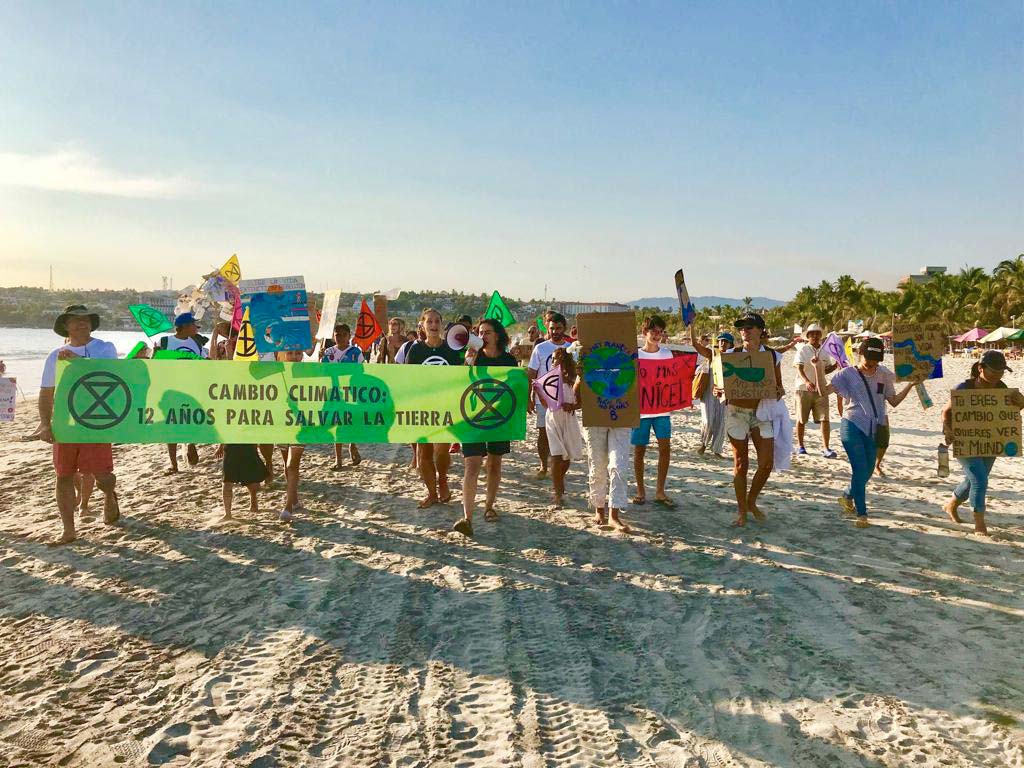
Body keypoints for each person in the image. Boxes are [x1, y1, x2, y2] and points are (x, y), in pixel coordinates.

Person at [36, 305, 120, 545]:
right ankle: (68, 530)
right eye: (75, 320)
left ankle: (109, 495)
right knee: (63, 475)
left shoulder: (105, 348)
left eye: (85, 320)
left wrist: (78, 362)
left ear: (91, 324)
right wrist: (44, 423)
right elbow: (46, 392)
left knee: (102, 475)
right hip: (66, 422)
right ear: (66, 325)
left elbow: (113, 376)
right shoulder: (55, 356)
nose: (82, 324)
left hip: (97, 421)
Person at [694, 312, 784, 527]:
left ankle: (751, 500)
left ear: (761, 331)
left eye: (750, 326)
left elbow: (779, 388)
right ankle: (742, 510)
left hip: (763, 413)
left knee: (766, 464)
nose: (745, 330)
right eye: (742, 327)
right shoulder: (730, 356)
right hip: (736, 413)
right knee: (740, 463)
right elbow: (719, 387)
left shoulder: (772, 357)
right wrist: (718, 390)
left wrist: (776, 390)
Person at [812, 337, 914, 528]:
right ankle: (862, 513)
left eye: (876, 359)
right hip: (851, 425)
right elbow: (823, 392)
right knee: (859, 468)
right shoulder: (846, 374)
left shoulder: (884, 374)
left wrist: (910, 385)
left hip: (874, 427)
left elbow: (893, 401)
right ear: (860, 354)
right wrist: (818, 369)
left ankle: (847, 495)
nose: (872, 363)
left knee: (867, 471)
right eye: (869, 358)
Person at [941, 352, 1024, 535]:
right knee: (980, 480)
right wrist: (947, 429)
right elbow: (946, 411)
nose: (998, 375)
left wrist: (1022, 402)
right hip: (964, 439)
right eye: (994, 371)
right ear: (981, 368)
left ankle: (951, 504)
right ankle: (979, 524)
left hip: (990, 440)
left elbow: (1012, 409)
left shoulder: (1002, 388)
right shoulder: (964, 388)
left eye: (1001, 371)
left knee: (974, 480)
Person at [453, 318, 518, 536]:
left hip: (498, 419)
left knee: (494, 463)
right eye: (479, 332)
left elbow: (513, 389)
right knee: (471, 466)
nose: (482, 336)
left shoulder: (509, 360)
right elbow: (460, 385)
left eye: (487, 332)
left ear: (497, 335)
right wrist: (467, 364)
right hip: (473, 418)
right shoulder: (473, 357)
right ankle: (467, 517)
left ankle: (489, 506)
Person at [404, 308, 462, 507]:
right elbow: (408, 380)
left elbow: (460, 378)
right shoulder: (416, 350)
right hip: (422, 408)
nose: (434, 325)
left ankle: (443, 478)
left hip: (445, 408)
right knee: (424, 454)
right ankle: (431, 493)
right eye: (429, 322)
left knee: (441, 451)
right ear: (422, 325)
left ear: (442, 325)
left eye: (437, 321)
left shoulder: (451, 350)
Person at [631, 315, 676, 507]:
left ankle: (660, 491)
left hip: (662, 410)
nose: (657, 335)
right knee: (639, 450)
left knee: (665, 448)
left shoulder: (667, 355)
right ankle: (640, 490)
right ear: (644, 332)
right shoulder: (636, 355)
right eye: (653, 332)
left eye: (660, 332)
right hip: (641, 411)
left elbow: (674, 380)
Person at [159, 312, 207, 474]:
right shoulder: (165, 341)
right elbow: (156, 363)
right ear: (184, 326)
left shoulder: (197, 343)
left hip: (192, 388)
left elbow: (203, 363)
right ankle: (174, 463)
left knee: (190, 420)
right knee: (171, 425)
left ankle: (190, 442)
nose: (197, 327)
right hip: (171, 389)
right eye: (194, 325)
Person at [527, 311, 571, 479]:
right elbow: (531, 373)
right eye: (552, 328)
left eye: (558, 328)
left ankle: (559, 467)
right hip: (542, 398)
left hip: (565, 398)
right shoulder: (540, 348)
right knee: (543, 432)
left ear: (564, 328)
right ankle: (543, 465)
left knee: (562, 435)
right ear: (548, 328)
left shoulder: (571, 348)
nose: (555, 331)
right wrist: (529, 397)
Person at [545, 347, 584, 509]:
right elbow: (545, 399)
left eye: (558, 358)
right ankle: (557, 491)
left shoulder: (575, 379)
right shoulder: (549, 379)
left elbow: (580, 402)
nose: (555, 361)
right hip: (553, 418)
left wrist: (572, 407)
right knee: (556, 454)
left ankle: (559, 479)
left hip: (569, 419)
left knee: (566, 458)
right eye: (553, 359)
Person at [793, 323, 838, 458]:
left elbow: (826, 369)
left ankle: (826, 448)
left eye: (817, 333)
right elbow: (799, 368)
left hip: (821, 389)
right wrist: (807, 382)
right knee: (802, 419)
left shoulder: (825, 351)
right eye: (812, 334)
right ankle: (800, 446)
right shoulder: (802, 350)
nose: (815, 336)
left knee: (825, 418)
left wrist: (835, 366)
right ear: (808, 336)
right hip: (803, 389)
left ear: (820, 336)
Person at [322, 323, 364, 469]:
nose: (340, 337)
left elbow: (360, 373)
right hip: (334, 394)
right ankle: (338, 460)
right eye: (337, 334)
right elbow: (322, 373)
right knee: (338, 425)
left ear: (349, 336)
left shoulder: (355, 353)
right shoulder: (328, 352)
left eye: (343, 334)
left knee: (351, 424)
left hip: (351, 393)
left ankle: (352, 445)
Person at [277, 348, 307, 521]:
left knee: (292, 464)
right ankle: (294, 499)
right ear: (284, 354)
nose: (294, 357)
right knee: (285, 463)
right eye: (291, 353)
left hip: (301, 425)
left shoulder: (309, 373)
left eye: (298, 353)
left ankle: (288, 507)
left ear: (302, 355)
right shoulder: (279, 372)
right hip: (281, 424)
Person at [691, 329, 732, 457]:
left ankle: (717, 449)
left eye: (726, 342)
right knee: (708, 420)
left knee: (721, 422)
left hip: (725, 395)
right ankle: (703, 444)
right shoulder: (712, 355)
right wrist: (692, 327)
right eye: (720, 341)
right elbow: (695, 345)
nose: (722, 343)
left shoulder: (734, 358)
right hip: (709, 393)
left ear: (731, 345)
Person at [221, 444, 267, 520]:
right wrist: (220, 447)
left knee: (252, 479)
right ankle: (227, 513)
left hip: (247, 446)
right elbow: (223, 433)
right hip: (230, 448)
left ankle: (253, 501)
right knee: (227, 481)